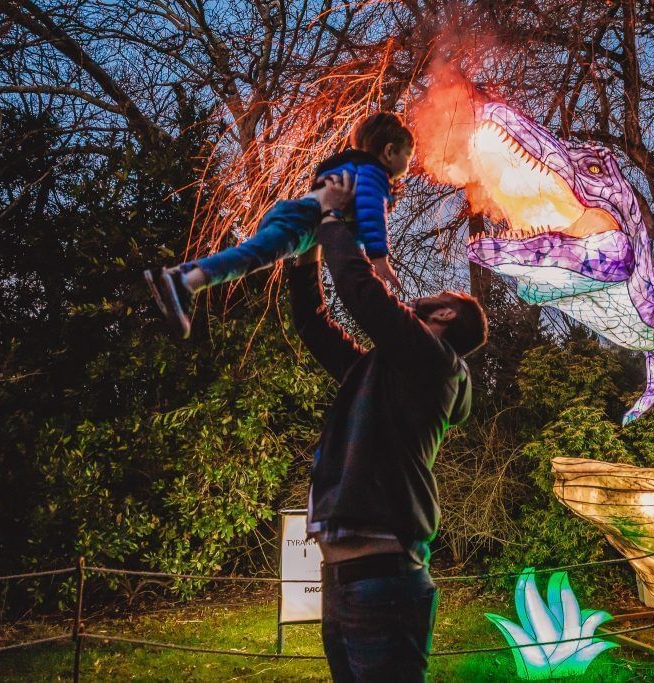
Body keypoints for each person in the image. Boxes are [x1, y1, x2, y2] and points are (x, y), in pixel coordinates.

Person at [288, 174, 487, 682]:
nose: (421, 300)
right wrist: (305, 250)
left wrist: (332, 215)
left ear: (444, 312)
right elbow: (314, 324)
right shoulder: (384, 370)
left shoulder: (435, 361)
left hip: (383, 581)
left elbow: (362, 293)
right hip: (345, 580)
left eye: (436, 296)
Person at [144, 112, 414, 338]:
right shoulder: (373, 172)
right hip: (302, 221)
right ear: (389, 151)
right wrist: (378, 257)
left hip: (297, 215)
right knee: (255, 256)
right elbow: (370, 209)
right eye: (408, 156)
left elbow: (345, 232)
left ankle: (179, 276)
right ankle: (185, 282)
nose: (409, 164)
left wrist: (355, 255)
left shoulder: (351, 167)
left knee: (255, 255)